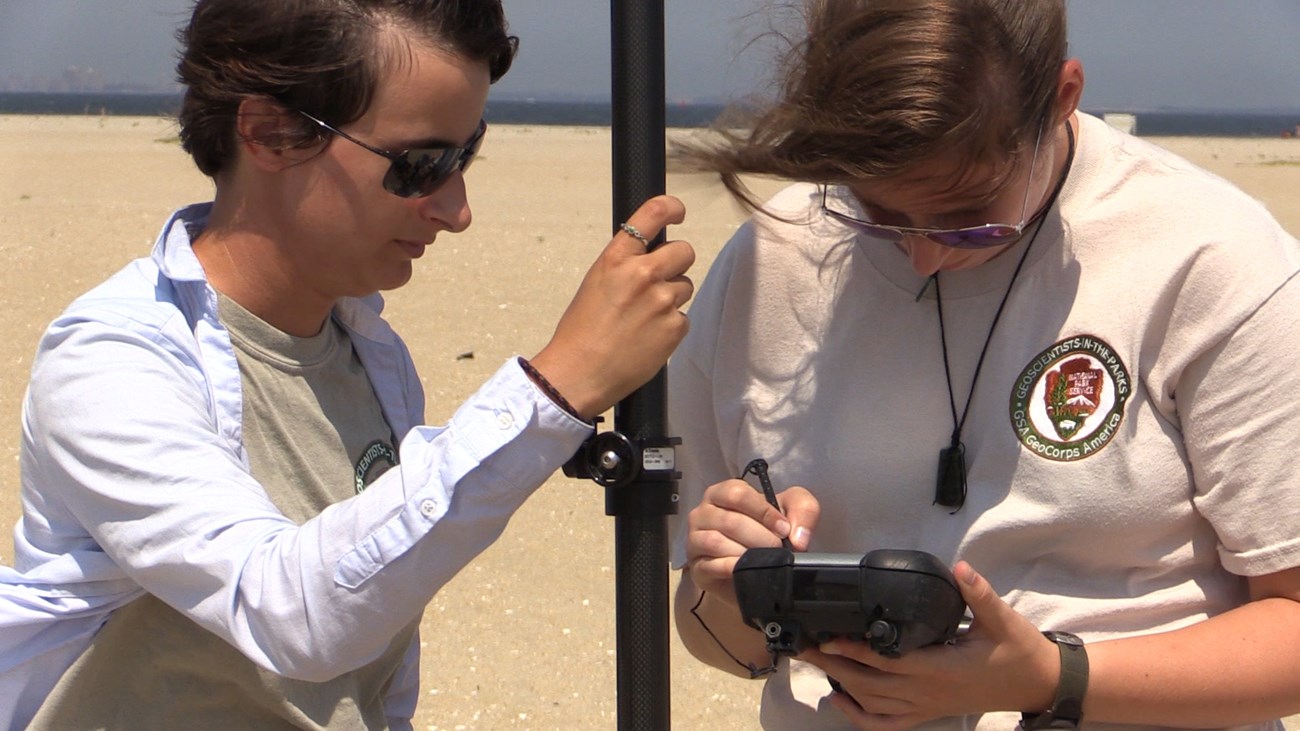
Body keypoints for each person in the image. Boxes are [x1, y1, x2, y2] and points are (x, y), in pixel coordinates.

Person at [0, 1, 694, 729]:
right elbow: (285, 612)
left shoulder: (372, 354)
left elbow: (369, 675)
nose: (457, 209)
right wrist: (558, 387)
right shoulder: (113, 359)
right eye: (420, 165)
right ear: (270, 132)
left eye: (466, 155)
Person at [669, 1, 1300, 729]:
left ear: (1064, 97)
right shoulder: (775, 254)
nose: (923, 254)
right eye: (874, 211)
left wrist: (1052, 677)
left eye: (968, 215)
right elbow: (713, 637)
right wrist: (735, 586)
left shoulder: (1210, 258)